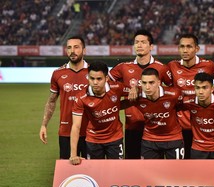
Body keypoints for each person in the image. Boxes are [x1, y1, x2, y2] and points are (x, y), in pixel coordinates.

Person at [109, 29, 172, 159]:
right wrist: (122, 92)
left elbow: (172, 91)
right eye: (136, 42)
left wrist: (141, 89)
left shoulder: (161, 68)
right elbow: (105, 85)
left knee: (155, 167)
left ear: (151, 47)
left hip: (156, 125)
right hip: (132, 125)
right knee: (132, 165)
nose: (139, 45)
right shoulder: (123, 68)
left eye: (143, 42)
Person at [69, 61, 129, 165]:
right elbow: (76, 126)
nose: (95, 82)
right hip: (93, 140)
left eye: (99, 79)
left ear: (106, 78)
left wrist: (135, 90)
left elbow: (138, 95)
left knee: (117, 171)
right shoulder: (81, 97)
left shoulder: (117, 88)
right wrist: (73, 154)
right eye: (92, 78)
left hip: (115, 138)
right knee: (95, 174)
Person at [39, 35, 89, 159]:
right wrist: (44, 125)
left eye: (76, 47)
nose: (72, 51)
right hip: (66, 131)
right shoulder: (58, 74)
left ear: (84, 50)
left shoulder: (94, 73)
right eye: (69, 48)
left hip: (90, 131)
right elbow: (51, 101)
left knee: (92, 171)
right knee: (68, 169)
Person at [167, 33, 214, 159]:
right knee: (182, 165)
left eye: (189, 46)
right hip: (179, 127)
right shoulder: (172, 66)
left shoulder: (209, 66)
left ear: (197, 49)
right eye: (182, 47)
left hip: (203, 126)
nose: (185, 50)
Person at [124, 68, 184, 159]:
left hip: (173, 139)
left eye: (151, 83)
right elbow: (116, 105)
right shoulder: (137, 96)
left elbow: (189, 104)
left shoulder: (173, 94)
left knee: (175, 172)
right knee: (150, 172)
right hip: (150, 140)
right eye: (144, 83)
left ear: (159, 83)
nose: (147, 87)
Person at [181, 72, 214, 159]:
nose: (201, 92)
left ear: (212, 89)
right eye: (197, 88)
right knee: (198, 173)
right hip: (198, 147)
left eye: (205, 88)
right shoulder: (188, 102)